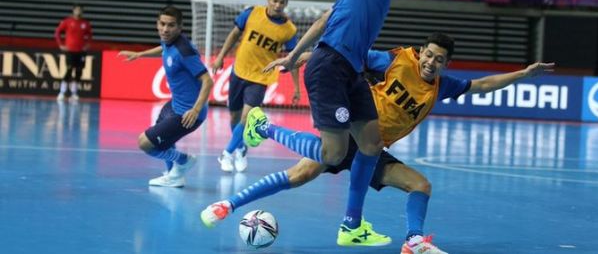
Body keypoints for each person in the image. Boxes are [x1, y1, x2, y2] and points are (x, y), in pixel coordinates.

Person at [201, 32, 555, 253]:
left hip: (374, 148)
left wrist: (523, 74)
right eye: (429, 54)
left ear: (447, 64)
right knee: (300, 174)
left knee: (420, 185)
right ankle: (241, 178)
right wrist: (300, 58)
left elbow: (482, 85)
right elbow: (347, 55)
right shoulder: (395, 61)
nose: (432, 62)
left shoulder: (441, 86)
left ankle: (413, 241)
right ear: (421, 52)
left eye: (440, 59)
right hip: (357, 129)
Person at [241, 0, 428, 246]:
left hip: (352, 70)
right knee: (334, 153)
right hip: (332, 66)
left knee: (371, 144)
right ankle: (264, 127)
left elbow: (326, 19)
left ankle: (351, 226)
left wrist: (294, 55)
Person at [118, 6, 213, 188]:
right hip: (175, 104)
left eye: (171, 25)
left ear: (180, 27)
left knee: (145, 143)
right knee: (164, 140)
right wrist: (140, 55)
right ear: (157, 23)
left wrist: (195, 109)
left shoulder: (184, 51)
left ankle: (183, 161)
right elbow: (161, 48)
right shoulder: (168, 41)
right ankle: (174, 176)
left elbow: (208, 81)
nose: (165, 29)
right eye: (162, 24)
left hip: (188, 114)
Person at [211, 0, 301, 173]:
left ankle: (226, 153)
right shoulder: (251, 13)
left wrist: (296, 87)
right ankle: (241, 148)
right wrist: (220, 57)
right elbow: (234, 35)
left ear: (286, 4)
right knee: (234, 116)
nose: (277, 5)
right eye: (275, 1)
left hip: (261, 77)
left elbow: (293, 58)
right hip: (239, 71)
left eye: (282, 2)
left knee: (246, 117)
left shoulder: (289, 30)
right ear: (268, 0)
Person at [54, 4, 93, 101]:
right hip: (70, 50)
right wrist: (61, 44)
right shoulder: (67, 22)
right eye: (77, 10)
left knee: (79, 71)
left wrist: (87, 44)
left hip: (80, 51)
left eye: (80, 10)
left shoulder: (85, 23)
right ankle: (62, 92)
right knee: (69, 69)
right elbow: (58, 32)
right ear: (73, 11)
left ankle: (74, 93)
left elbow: (89, 35)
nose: (78, 12)